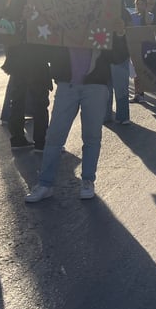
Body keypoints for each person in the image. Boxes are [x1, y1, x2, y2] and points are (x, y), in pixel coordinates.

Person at [24, 37, 119, 202]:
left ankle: (88, 180)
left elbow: (118, 56)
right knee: (54, 136)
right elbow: (44, 51)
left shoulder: (103, 16)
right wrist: (34, 22)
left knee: (91, 136)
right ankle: (45, 184)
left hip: (95, 85)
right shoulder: (62, 16)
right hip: (67, 84)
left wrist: (118, 33)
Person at [0, 0, 52, 152]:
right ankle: (41, 140)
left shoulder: (10, 11)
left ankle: (17, 138)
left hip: (17, 60)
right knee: (40, 101)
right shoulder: (39, 9)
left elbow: (4, 37)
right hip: (36, 59)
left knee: (17, 98)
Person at [106, 0, 133, 125]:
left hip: (121, 58)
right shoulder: (104, 12)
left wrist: (121, 32)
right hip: (106, 57)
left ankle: (122, 116)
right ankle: (106, 115)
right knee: (106, 90)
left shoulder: (124, 14)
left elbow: (131, 34)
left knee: (121, 90)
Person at [131, 0, 152, 103]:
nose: (139, 6)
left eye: (142, 4)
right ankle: (136, 93)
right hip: (134, 46)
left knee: (142, 71)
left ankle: (142, 93)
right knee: (135, 72)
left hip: (145, 47)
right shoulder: (132, 16)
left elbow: (150, 27)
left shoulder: (150, 16)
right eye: (138, 4)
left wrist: (146, 13)